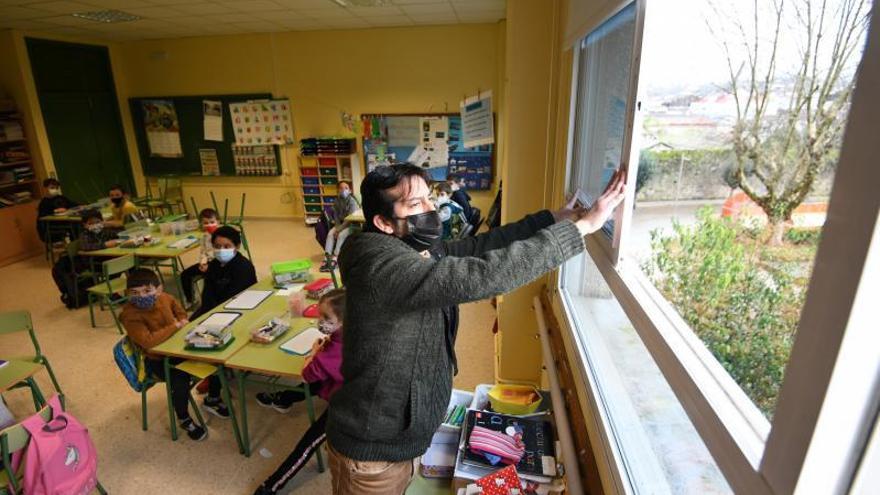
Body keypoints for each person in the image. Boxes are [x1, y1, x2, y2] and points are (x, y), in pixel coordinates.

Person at [326, 163, 625, 494]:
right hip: (372, 453)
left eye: (428, 199)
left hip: (402, 438)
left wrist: (552, 219)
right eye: (414, 205)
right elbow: (479, 275)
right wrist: (579, 229)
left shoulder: (412, 246)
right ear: (383, 223)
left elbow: (480, 247)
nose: (430, 210)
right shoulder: (382, 266)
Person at [253, 289, 346, 495]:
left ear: (342, 321)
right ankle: (283, 398)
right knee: (317, 385)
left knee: (306, 445)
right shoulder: (354, 332)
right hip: (347, 386)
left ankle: (272, 486)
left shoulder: (330, 354)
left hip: (346, 405)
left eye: (326, 317)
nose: (320, 321)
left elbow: (307, 374)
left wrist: (314, 353)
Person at [119, 268, 229, 441]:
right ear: (128, 294)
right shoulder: (129, 315)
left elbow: (180, 312)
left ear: (159, 289)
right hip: (156, 360)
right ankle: (183, 418)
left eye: (147, 291)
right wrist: (175, 327)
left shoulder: (165, 298)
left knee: (214, 357)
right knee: (180, 377)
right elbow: (148, 341)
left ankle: (213, 398)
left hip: (179, 348)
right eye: (135, 293)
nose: (141, 296)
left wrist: (182, 320)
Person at [50, 209, 120, 308]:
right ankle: (111, 292)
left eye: (98, 222)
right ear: (85, 225)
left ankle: (122, 288)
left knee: (125, 264)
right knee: (115, 267)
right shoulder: (85, 235)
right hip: (92, 263)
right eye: (91, 223)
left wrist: (119, 233)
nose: (95, 225)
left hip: (106, 259)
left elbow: (119, 236)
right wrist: (105, 245)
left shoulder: (105, 231)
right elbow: (86, 246)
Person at [190, 225, 257, 320]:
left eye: (227, 246)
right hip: (213, 308)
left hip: (235, 310)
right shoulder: (213, 264)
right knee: (188, 325)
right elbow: (207, 292)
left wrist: (213, 315)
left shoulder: (244, 267)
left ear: (237, 246)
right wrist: (206, 312)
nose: (221, 250)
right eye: (217, 246)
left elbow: (233, 298)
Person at [179, 208, 220, 306]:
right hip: (207, 262)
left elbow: (222, 254)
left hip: (220, 263)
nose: (209, 225)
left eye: (212, 222)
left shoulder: (222, 235)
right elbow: (203, 252)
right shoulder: (204, 236)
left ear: (218, 222)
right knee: (185, 274)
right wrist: (203, 263)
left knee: (210, 278)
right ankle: (190, 300)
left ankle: (213, 300)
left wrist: (210, 265)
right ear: (201, 224)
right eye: (206, 223)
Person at [321, 180, 359, 272]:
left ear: (350, 190)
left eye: (346, 188)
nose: (343, 190)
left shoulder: (352, 201)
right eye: (341, 188)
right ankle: (327, 258)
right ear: (338, 190)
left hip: (351, 224)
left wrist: (339, 230)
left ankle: (336, 258)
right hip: (341, 224)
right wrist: (337, 228)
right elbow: (336, 216)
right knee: (330, 234)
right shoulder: (337, 200)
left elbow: (350, 219)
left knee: (341, 235)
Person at [36, 178, 78, 242]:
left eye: (56, 188)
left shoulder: (61, 198)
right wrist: (55, 211)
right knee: (74, 226)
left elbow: (72, 204)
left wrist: (82, 206)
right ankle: (74, 245)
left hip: (65, 221)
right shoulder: (44, 202)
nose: (54, 190)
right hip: (53, 226)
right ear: (45, 188)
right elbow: (42, 214)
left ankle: (78, 243)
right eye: (52, 188)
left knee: (78, 224)